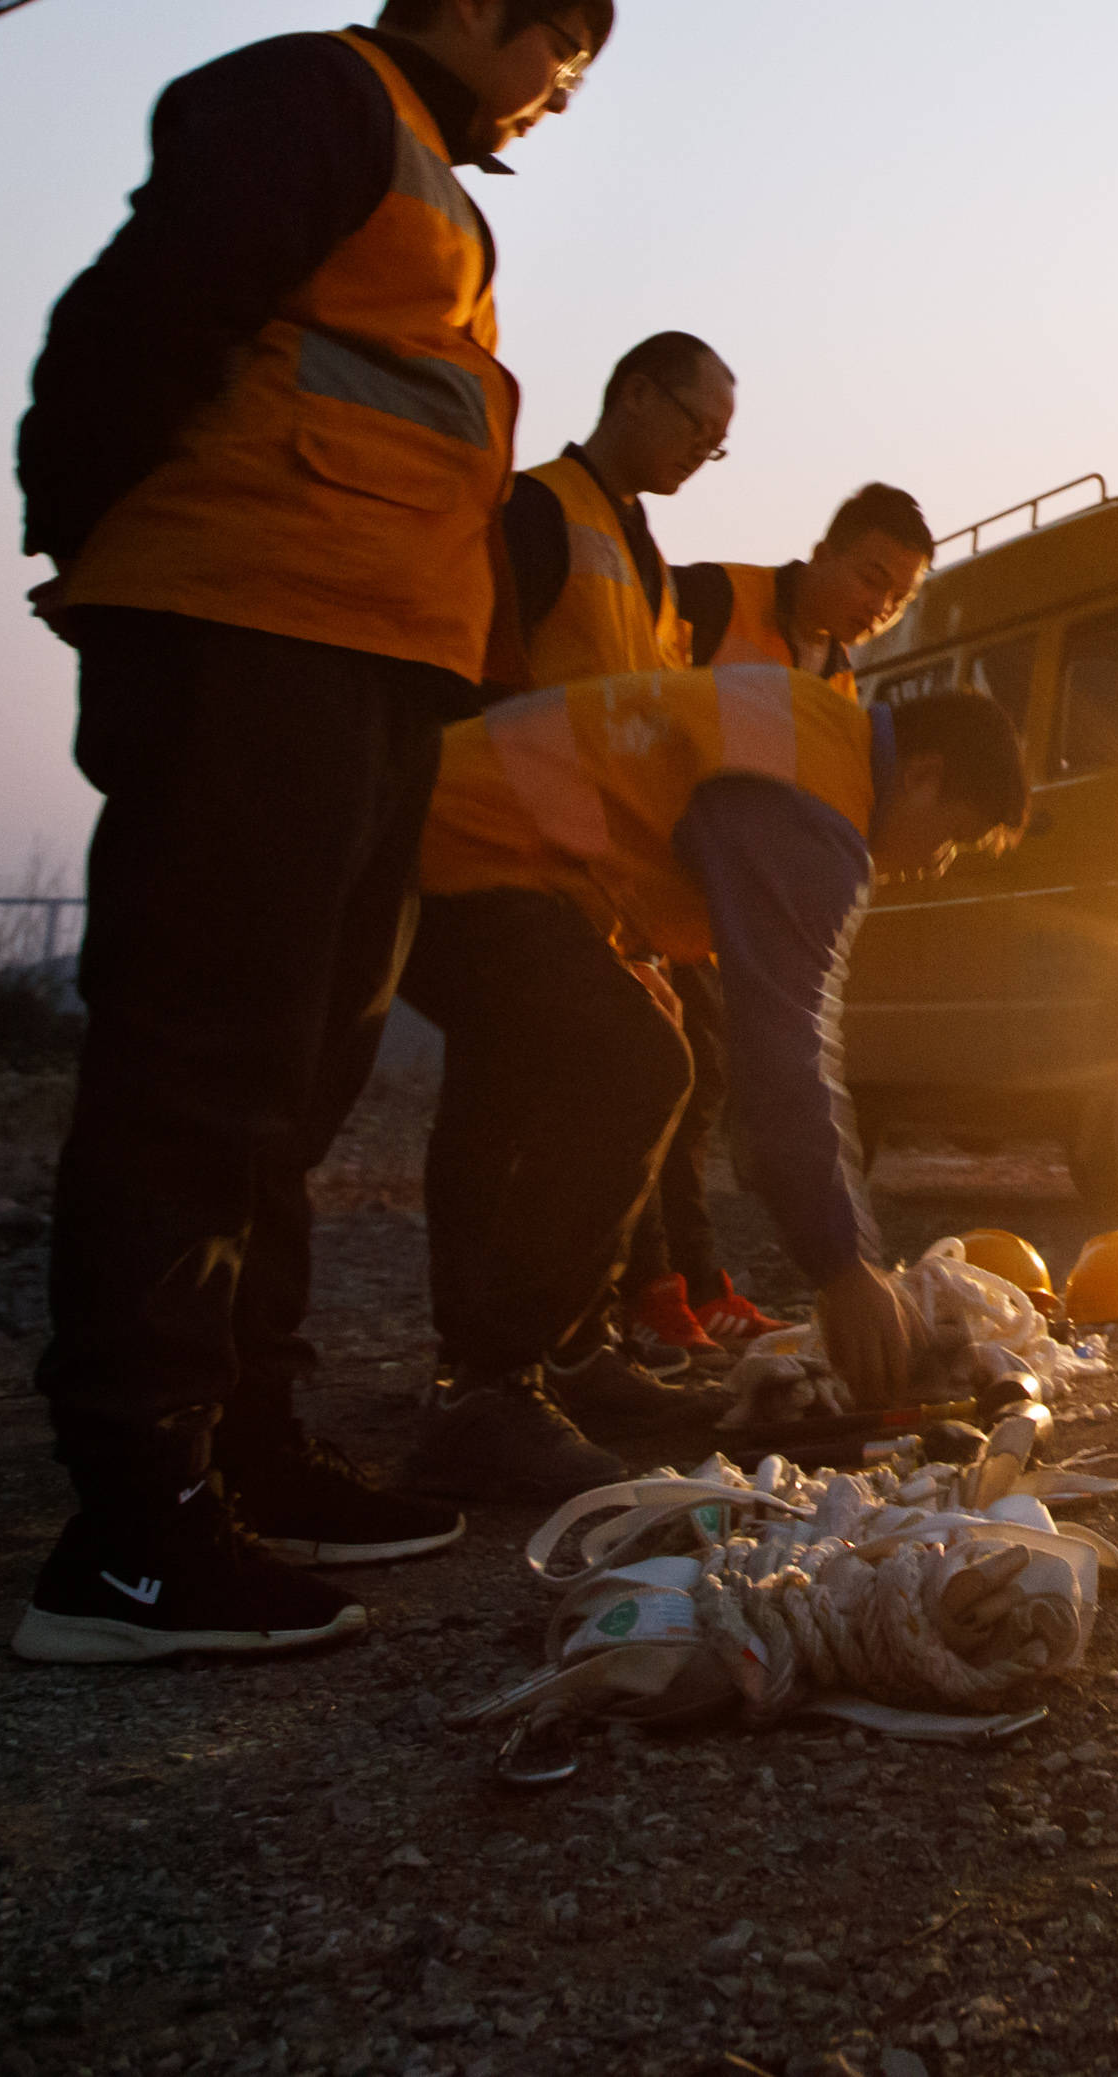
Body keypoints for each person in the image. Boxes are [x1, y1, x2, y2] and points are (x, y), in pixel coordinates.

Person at [6, 0, 611, 1666]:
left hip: (360, 668)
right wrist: (97, 539)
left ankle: (243, 1447)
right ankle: (130, 1525)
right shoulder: (315, 100)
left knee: (291, 1072)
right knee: (200, 1059)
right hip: (254, 635)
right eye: (561, 57)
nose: (558, 99)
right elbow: (135, 313)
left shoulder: (423, 171)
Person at [415, 663, 1034, 1414]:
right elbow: (783, 1053)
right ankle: (494, 1395)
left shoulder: (813, 730)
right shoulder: (816, 810)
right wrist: (842, 1267)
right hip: (467, 849)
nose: (937, 863)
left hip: (444, 820)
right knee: (636, 1065)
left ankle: (564, 1356)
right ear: (925, 776)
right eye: (955, 838)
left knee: (584, 1054)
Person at [394, 331, 742, 1506]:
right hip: (488, 854)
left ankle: (557, 1355)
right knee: (596, 1074)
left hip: (581, 886)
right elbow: (481, 678)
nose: (709, 451)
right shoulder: (540, 514)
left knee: (529, 1094)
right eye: (698, 424)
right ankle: (487, 1378)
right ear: (634, 392)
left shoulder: (644, 560)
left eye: (721, 440)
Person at [623, 483, 945, 1358]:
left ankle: (694, 1285)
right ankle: (648, 1293)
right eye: (870, 576)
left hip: (716, 902)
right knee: (651, 1079)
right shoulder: (712, 596)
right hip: (637, 864)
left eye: (897, 596)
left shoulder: (839, 676)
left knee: (700, 1083)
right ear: (826, 550)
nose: (876, 605)